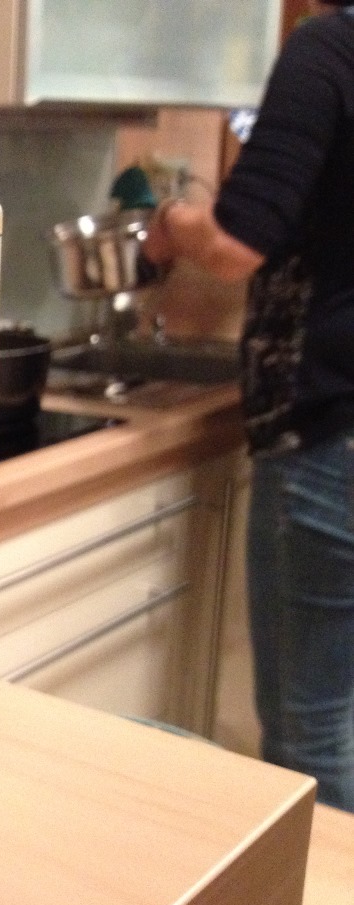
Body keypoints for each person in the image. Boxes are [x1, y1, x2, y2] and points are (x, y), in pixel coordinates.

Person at [142, 0, 354, 812]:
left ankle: (327, 899)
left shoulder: (330, 49)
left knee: (311, 736)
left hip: (330, 435)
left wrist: (172, 222)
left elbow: (234, 244)